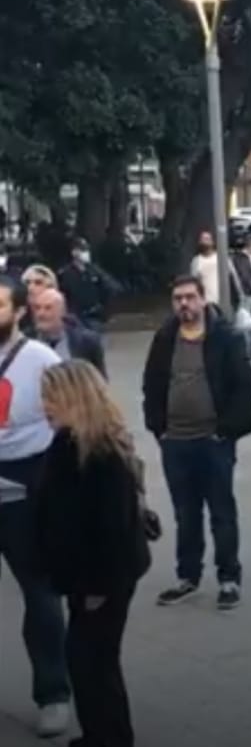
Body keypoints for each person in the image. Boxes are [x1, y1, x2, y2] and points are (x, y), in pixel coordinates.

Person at [34, 360, 151, 747]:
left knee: (92, 664)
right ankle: (102, 734)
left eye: (50, 397)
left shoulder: (97, 453)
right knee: (91, 662)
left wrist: (98, 586)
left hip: (101, 581)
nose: (44, 406)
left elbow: (111, 530)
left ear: (72, 398)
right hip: (87, 577)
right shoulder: (73, 444)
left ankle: (110, 738)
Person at [142, 276, 251, 610]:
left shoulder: (225, 337)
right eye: (178, 298)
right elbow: (151, 384)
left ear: (202, 299)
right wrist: (158, 428)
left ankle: (229, 578)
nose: (184, 304)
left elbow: (245, 386)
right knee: (185, 513)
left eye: (190, 297)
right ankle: (187, 577)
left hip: (213, 440)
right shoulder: (165, 338)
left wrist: (226, 430)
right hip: (175, 441)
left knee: (221, 511)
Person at [0, 275, 72, 737]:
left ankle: (53, 692)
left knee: (40, 592)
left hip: (27, 483)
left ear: (19, 311)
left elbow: (71, 419)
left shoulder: (41, 360)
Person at [29, 288, 106, 376]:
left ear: (62, 312)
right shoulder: (25, 340)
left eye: (48, 308)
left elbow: (99, 380)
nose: (41, 313)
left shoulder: (86, 341)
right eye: (37, 308)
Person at [55, 238, 114, 330]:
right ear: (74, 252)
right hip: (75, 317)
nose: (86, 253)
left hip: (94, 316)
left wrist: (103, 308)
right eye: (83, 250)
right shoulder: (65, 274)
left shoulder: (94, 270)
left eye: (86, 250)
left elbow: (110, 287)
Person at [188, 231, 221, 312]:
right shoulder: (196, 261)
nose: (205, 241)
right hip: (206, 303)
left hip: (222, 301)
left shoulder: (220, 258)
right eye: (202, 239)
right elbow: (194, 282)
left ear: (213, 242)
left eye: (207, 239)